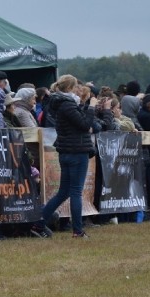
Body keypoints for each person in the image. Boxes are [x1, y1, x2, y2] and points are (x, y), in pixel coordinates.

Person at [32, 74, 95, 239]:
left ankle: (39, 224)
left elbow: (79, 124)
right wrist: (91, 107)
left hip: (66, 152)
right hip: (76, 152)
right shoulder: (67, 105)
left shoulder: (60, 104)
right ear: (70, 88)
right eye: (76, 87)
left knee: (64, 192)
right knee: (75, 192)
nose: (78, 90)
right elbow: (84, 124)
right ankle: (78, 231)